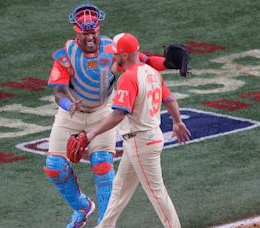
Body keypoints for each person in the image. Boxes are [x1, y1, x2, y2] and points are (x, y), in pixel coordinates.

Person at [43, 4, 172, 228]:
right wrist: (68, 104)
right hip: (70, 113)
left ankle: (104, 225)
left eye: (94, 31)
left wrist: (169, 63)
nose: (91, 37)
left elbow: (143, 61)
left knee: (102, 165)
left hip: (103, 110)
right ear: (77, 32)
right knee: (54, 166)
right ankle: (83, 207)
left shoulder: (111, 49)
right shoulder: (66, 55)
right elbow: (58, 91)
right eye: (85, 33)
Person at [77, 33, 191, 228]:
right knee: (119, 189)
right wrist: (177, 122)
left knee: (156, 193)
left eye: (116, 54)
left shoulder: (129, 77)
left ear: (125, 55)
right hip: (142, 140)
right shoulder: (151, 72)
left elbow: (118, 115)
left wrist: (90, 135)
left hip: (141, 143)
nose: (113, 57)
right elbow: (170, 99)